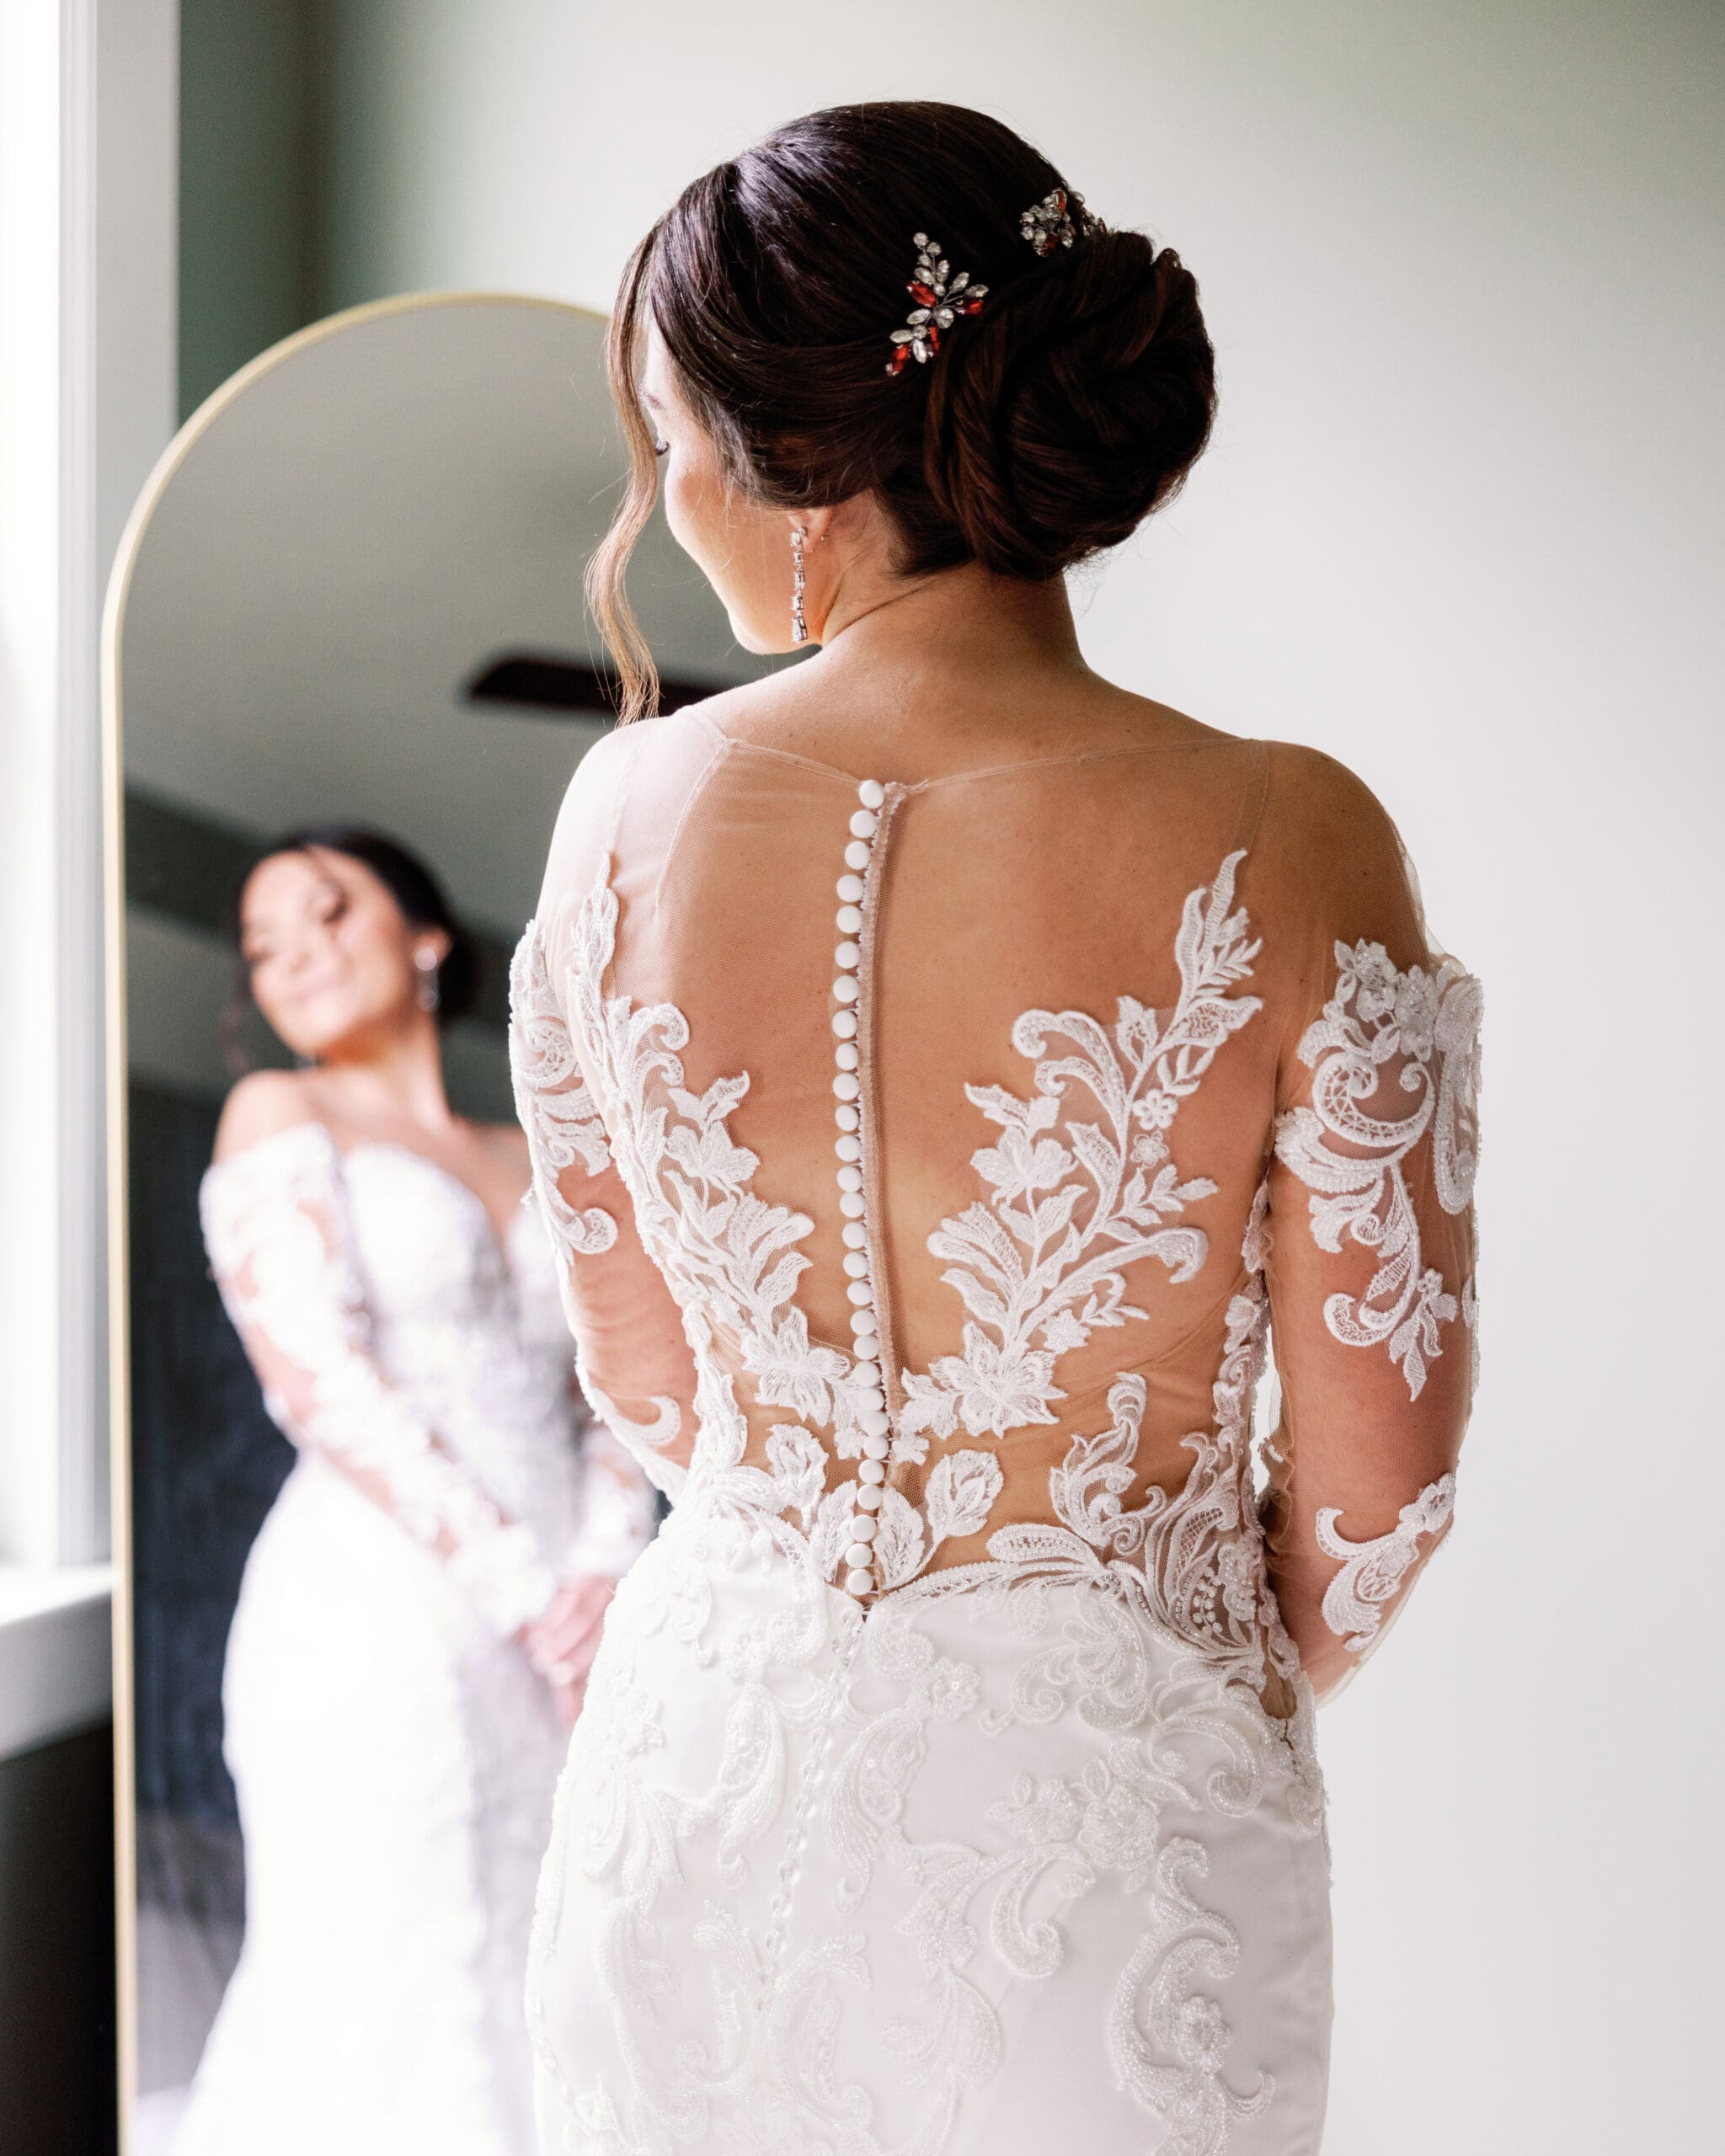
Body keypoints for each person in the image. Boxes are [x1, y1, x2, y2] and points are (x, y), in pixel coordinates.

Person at [510, 103, 1481, 2156]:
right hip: (1115, 1826)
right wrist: (1136, 1669)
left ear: (795, 466)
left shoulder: (617, 818)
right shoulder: (1294, 831)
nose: (661, 493)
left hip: (707, 1759)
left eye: (667, 433)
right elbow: (1377, 1487)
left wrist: (834, 1580)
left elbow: (645, 1375)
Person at [173, 827, 660, 2156]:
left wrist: (604, 1578)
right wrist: (526, 1596)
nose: (299, 959)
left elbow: (622, 1388)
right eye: (266, 949)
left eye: (328, 914)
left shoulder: (539, 1155)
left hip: (575, 1620)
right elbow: (318, 1382)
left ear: (427, 936)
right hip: (380, 1610)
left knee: (551, 1951)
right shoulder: (279, 1113)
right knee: (392, 1956)